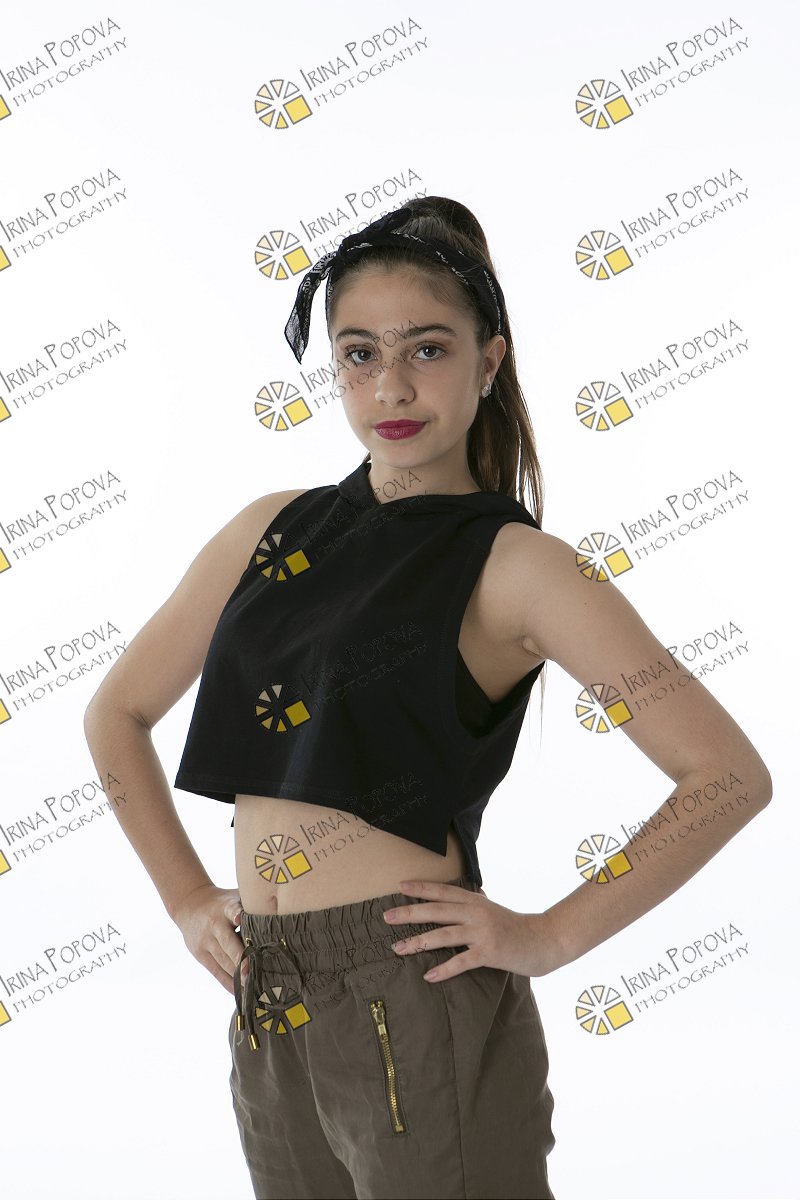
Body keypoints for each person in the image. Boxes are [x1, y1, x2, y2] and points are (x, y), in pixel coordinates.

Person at [83, 196, 773, 1200]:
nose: (391, 385)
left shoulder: (519, 568)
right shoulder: (269, 530)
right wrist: (187, 900)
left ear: (489, 362)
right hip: (266, 991)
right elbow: (115, 714)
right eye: (359, 354)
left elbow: (726, 777)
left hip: (412, 988)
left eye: (428, 350)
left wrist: (548, 935)